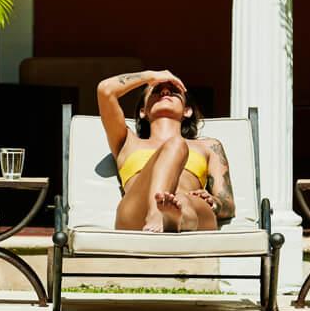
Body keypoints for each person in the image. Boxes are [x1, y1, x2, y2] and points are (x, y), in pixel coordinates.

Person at [97, 68, 235, 232]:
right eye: (156, 89)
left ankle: (174, 219)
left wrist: (215, 202)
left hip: (188, 206)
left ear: (187, 110)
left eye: (175, 91)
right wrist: (151, 76)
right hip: (136, 215)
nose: (165, 91)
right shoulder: (127, 141)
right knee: (176, 145)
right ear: (143, 111)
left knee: (184, 201)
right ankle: (158, 212)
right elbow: (105, 90)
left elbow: (228, 204)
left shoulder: (209, 146)